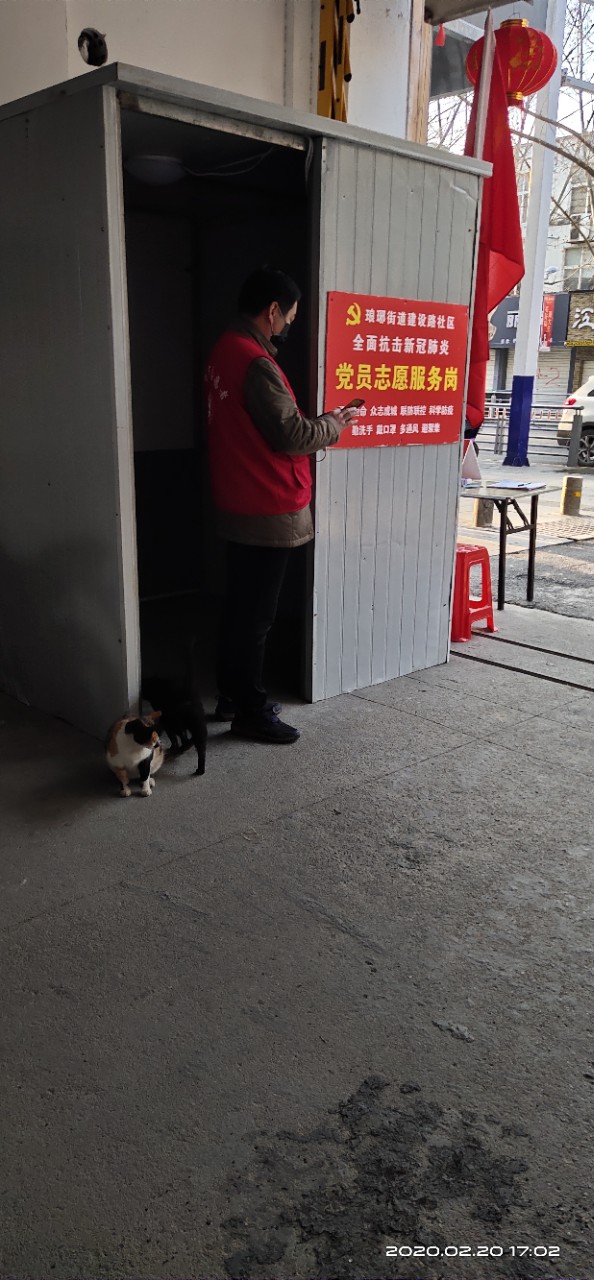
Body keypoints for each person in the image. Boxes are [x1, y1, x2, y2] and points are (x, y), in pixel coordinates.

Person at [205, 266, 357, 744]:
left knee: (238, 609)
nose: (289, 325)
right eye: (289, 316)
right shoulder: (256, 362)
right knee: (255, 618)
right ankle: (251, 710)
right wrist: (335, 423)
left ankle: (232, 696)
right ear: (273, 310)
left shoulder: (223, 350)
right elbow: (291, 435)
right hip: (266, 507)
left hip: (237, 501)